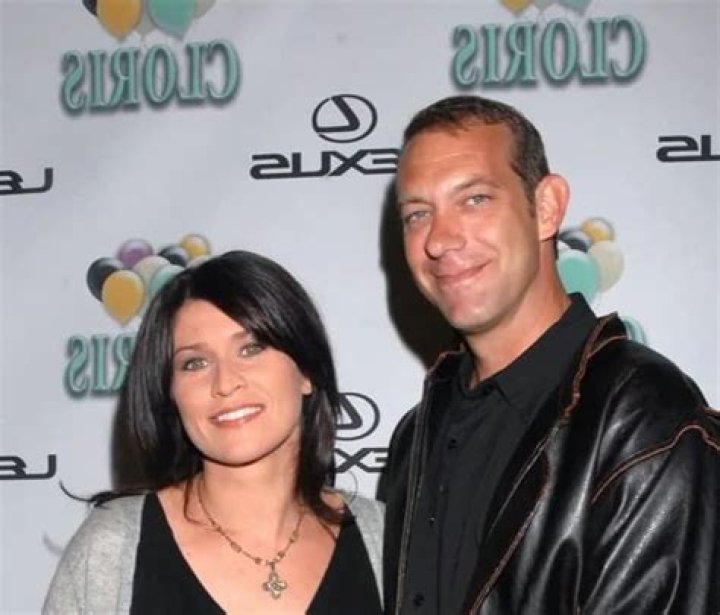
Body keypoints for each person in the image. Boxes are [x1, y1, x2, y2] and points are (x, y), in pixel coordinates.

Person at [378, 95, 720, 614]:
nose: (440, 241)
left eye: (474, 199)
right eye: (418, 214)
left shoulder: (645, 417)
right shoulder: (416, 435)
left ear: (546, 207)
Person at [44, 250, 384, 614]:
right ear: (170, 393)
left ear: (306, 371)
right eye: (195, 363)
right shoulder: (112, 548)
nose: (224, 383)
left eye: (251, 348)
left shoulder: (386, 538)